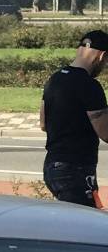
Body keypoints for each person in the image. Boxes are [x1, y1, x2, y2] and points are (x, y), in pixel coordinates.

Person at [41, 30, 108, 207]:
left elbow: (43, 123)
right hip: (75, 169)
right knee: (84, 225)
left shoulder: (54, 79)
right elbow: (106, 132)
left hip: (53, 166)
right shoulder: (90, 86)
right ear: (101, 56)